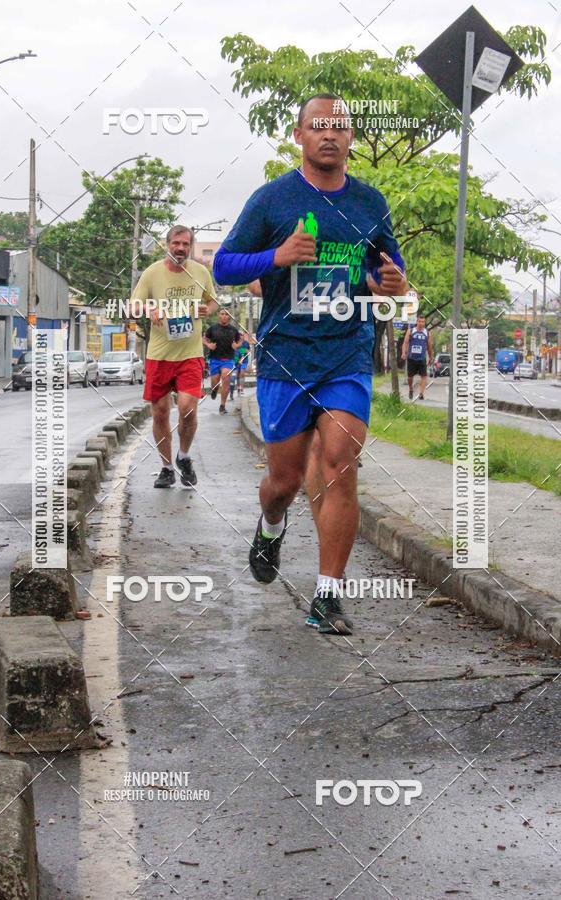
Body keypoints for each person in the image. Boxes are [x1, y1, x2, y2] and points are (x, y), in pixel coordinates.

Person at [214, 93, 407, 635]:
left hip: (346, 352)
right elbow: (226, 265)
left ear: (350, 138)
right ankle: (270, 525)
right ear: (298, 135)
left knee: (341, 461)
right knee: (286, 480)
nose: (329, 134)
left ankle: (328, 597)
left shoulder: (370, 203)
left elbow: (389, 269)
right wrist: (275, 257)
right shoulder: (272, 200)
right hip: (286, 359)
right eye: (317, 126)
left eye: (340, 127)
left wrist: (390, 281)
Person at [130, 224, 217, 487]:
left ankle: (184, 456)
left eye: (185, 244)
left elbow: (213, 301)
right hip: (159, 355)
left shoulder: (200, 272)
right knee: (159, 413)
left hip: (190, 354)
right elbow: (133, 306)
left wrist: (207, 309)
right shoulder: (152, 273)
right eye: (176, 243)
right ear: (167, 245)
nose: (180, 248)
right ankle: (167, 467)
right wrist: (149, 309)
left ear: (190, 247)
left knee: (188, 409)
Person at [203, 308, 242, 414]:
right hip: (214, 359)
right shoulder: (212, 329)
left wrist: (236, 345)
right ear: (219, 316)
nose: (224, 316)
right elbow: (204, 338)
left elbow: (240, 341)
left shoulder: (233, 330)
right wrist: (208, 345)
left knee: (226, 378)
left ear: (229, 316)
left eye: (226, 314)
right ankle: (214, 390)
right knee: (214, 382)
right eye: (222, 314)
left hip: (228, 360)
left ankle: (222, 405)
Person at [401, 314, 432, 400]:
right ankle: (411, 388)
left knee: (424, 376)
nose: (421, 323)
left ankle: (421, 393)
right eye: (419, 321)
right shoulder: (411, 331)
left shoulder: (427, 333)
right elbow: (405, 343)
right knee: (410, 377)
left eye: (423, 322)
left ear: (424, 323)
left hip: (422, 358)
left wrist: (430, 357)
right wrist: (403, 353)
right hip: (411, 358)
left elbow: (429, 347)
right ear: (416, 322)